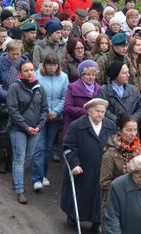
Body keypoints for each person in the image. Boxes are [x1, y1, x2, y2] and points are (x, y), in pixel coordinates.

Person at [61, 98, 117, 234]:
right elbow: (68, 147)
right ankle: (73, 216)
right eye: (97, 111)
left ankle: (97, 223)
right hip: (82, 166)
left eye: (103, 112)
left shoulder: (110, 126)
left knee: (100, 196)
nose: (100, 114)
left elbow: (114, 146)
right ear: (89, 111)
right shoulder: (77, 125)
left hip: (102, 168)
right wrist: (74, 164)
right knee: (81, 194)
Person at [7, 61, 48, 204]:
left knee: (28, 157)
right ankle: (20, 190)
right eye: (26, 70)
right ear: (20, 72)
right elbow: (13, 110)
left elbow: (44, 109)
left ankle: (16, 178)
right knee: (20, 157)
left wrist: (39, 126)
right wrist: (26, 127)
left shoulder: (39, 88)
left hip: (35, 129)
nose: (30, 73)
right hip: (18, 128)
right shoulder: (15, 87)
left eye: (31, 70)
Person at [0, 40, 28, 173]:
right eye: (13, 54)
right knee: (3, 131)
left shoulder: (24, 64)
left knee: (17, 132)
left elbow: (28, 81)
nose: (16, 57)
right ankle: (2, 158)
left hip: (20, 103)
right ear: (7, 52)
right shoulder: (0, 64)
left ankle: (12, 159)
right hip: (4, 102)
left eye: (18, 54)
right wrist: (9, 96)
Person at [31, 53, 68, 191]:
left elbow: (65, 97)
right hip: (40, 117)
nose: (52, 68)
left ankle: (44, 175)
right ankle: (36, 178)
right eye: (49, 65)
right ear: (44, 65)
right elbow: (35, 96)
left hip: (55, 118)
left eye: (54, 65)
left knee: (47, 147)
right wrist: (46, 112)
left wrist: (56, 111)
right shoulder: (37, 76)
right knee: (39, 147)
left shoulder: (63, 77)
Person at [99, 114, 141, 222]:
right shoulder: (110, 154)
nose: (133, 134)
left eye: (135, 130)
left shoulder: (140, 149)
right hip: (115, 205)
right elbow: (104, 183)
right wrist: (128, 190)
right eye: (129, 130)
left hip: (137, 203)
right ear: (119, 131)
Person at [96, 60, 141, 125]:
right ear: (116, 75)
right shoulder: (103, 90)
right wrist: (119, 121)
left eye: (128, 72)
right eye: (124, 73)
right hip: (112, 129)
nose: (128, 75)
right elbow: (102, 109)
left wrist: (132, 120)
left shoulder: (134, 90)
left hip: (131, 129)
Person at [62, 60, 101, 136]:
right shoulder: (72, 87)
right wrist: (87, 112)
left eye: (93, 74)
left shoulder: (100, 88)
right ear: (82, 75)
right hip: (75, 126)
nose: (91, 77)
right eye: (88, 74)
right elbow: (67, 108)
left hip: (94, 127)